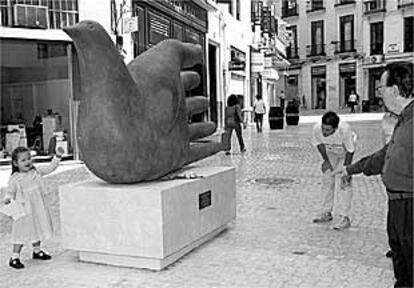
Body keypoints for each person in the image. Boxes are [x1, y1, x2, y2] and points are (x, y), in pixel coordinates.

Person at [335, 62, 413, 287]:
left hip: (410, 206)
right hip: (398, 207)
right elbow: (385, 155)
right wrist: (352, 169)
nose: (379, 95)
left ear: (395, 90)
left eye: (381, 89)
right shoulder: (404, 120)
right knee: (402, 264)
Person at [3, 146, 63, 269]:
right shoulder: (15, 179)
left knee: (37, 227)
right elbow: (10, 192)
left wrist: (57, 157)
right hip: (23, 210)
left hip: (37, 207)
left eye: (29, 158)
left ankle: (37, 250)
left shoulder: (36, 172)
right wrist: (8, 199)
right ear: (15, 163)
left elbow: (50, 168)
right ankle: (15, 257)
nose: (27, 162)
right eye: (23, 160)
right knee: (21, 231)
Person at [312, 111, 356, 230]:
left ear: (335, 128)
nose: (324, 133)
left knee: (344, 183)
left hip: (344, 154)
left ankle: (344, 217)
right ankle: (326, 212)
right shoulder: (316, 129)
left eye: (328, 130)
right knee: (327, 181)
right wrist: (326, 161)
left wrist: (347, 169)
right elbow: (320, 145)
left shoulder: (344, 129)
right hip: (330, 152)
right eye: (323, 129)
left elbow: (350, 150)